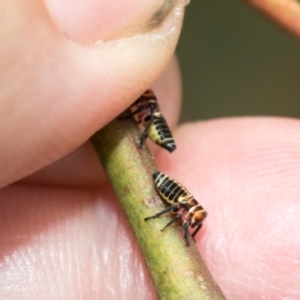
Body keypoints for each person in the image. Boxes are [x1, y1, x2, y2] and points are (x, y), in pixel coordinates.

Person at [0, 1, 299, 299]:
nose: (191, 223)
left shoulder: (182, 210)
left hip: (160, 167)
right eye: (192, 221)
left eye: (191, 222)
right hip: (158, 163)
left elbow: (178, 214)